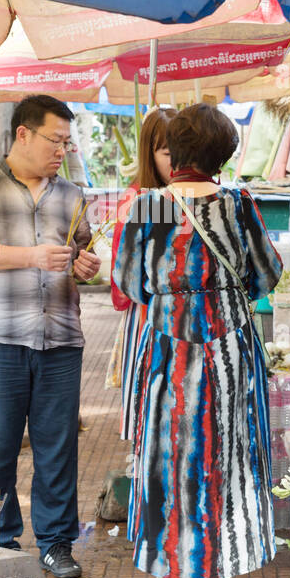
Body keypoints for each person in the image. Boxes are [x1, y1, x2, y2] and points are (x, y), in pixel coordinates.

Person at [114, 103, 282, 578]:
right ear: (222, 154)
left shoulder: (150, 207)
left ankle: (167, 577)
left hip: (165, 344)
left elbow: (127, 281)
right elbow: (266, 274)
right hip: (228, 343)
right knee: (229, 453)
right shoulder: (237, 203)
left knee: (164, 450)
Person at [0, 94, 100, 578]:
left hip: (61, 339)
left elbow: (81, 252)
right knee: (0, 448)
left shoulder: (71, 195)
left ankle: (56, 544)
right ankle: (3, 540)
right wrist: (30, 256)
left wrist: (85, 265)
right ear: (22, 134)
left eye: (66, 142)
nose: (62, 150)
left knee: (58, 447)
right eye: (55, 140)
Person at [109, 108, 176, 441]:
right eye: (166, 153)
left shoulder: (181, 196)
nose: (175, 162)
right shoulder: (142, 199)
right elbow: (125, 275)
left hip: (176, 318)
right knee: (150, 416)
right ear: (149, 153)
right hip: (148, 315)